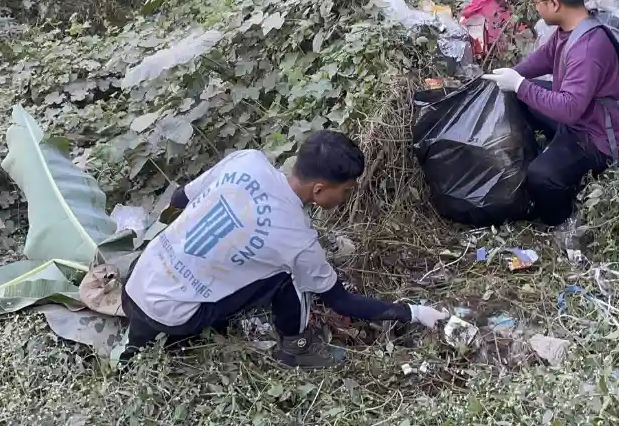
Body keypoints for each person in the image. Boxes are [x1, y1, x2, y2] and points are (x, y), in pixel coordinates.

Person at [121, 131, 449, 368]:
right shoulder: (297, 238)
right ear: (319, 189)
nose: (347, 198)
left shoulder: (247, 161)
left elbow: (180, 199)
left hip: (136, 279)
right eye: (346, 191)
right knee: (287, 273)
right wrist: (414, 313)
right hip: (175, 315)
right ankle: (296, 348)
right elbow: (340, 300)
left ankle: (145, 341)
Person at [483, 0, 619, 246]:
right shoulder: (569, 30)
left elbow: (568, 110)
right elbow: (545, 59)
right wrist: (513, 76)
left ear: (554, 4)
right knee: (520, 94)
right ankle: (537, 152)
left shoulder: (588, 47)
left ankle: (561, 221)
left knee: (541, 177)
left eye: (537, 3)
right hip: (578, 118)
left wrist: (521, 85)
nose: (536, 10)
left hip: (595, 138)